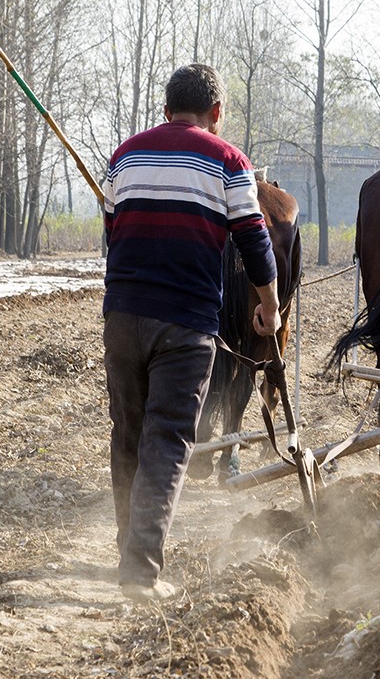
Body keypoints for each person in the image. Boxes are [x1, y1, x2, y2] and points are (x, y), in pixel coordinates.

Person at [101, 63, 281, 603]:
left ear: (165, 110)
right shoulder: (229, 162)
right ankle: (140, 572)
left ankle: (127, 551)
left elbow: (112, 232)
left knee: (128, 434)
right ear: (216, 113)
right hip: (185, 323)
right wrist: (269, 305)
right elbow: (254, 240)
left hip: (121, 318)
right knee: (168, 438)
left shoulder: (124, 156)